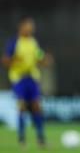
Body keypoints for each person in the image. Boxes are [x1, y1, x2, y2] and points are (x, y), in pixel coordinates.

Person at [2, 17, 52, 147]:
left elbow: (38, 55)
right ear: (21, 27)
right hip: (19, 78)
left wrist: (44, 60)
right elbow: (6, 60)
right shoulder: (14, 42)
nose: (31, 29)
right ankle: (22, 139)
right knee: (22, 107)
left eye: (32, 26)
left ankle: (41, 139)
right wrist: (14, 60)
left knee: (37, 106)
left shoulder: (33, 42)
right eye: (28, 26)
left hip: (33, 78)